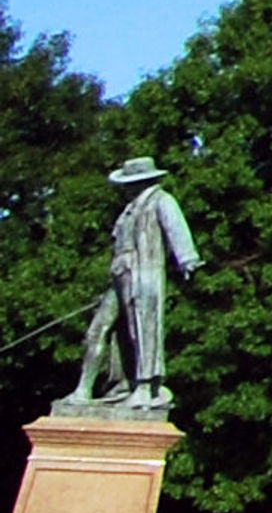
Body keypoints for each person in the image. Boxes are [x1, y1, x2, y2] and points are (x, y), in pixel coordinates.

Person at [69, 159, 193, 412]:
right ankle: (84, 389)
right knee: (98, 329)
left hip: (144, 274)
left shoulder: (161, 200)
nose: (125, 189)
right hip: (121, 276)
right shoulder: (129, 209)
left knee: (143, 330)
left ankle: (145, 387)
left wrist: (187, 259)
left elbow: (176, 228)